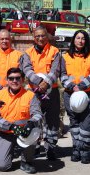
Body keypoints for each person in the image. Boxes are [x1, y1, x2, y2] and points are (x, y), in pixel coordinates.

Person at [0, 68, 42, 174]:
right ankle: (10, 152)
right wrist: (10, 127)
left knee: (34, 131)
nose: (14, 81)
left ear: (22, 80)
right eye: (11, 78)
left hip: (24, 132)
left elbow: (37, 114)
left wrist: (30, 124)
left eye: (18, 78)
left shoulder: (30, 95)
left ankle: (26, 161)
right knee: (2, 166)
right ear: (7, 80)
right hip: (5, 132)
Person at [20, 26, 62, 160]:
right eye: (37, 36)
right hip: (34, 92)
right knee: (35, 119)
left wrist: (46, 83)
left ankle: (51, 148)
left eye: (43, 35)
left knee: (53, 121)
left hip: (52, 91)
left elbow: (55, 70)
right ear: (34, 37)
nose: (40, 38)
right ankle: (36, 146)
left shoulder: (55, 51)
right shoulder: (27, 53)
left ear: (47, 36)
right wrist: (39, 82)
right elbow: (26, 69)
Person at [60, 29, 90, 164]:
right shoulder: (65, 56)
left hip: (88, 94)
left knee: (87, 124)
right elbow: (62, 74)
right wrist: (72, 87)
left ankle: (85, 151)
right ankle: (76, 149)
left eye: (83, 38)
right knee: (74, 123)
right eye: (78, 38)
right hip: (70, 94)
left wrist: (81, 86)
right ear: (73, 40)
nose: (80, 41)